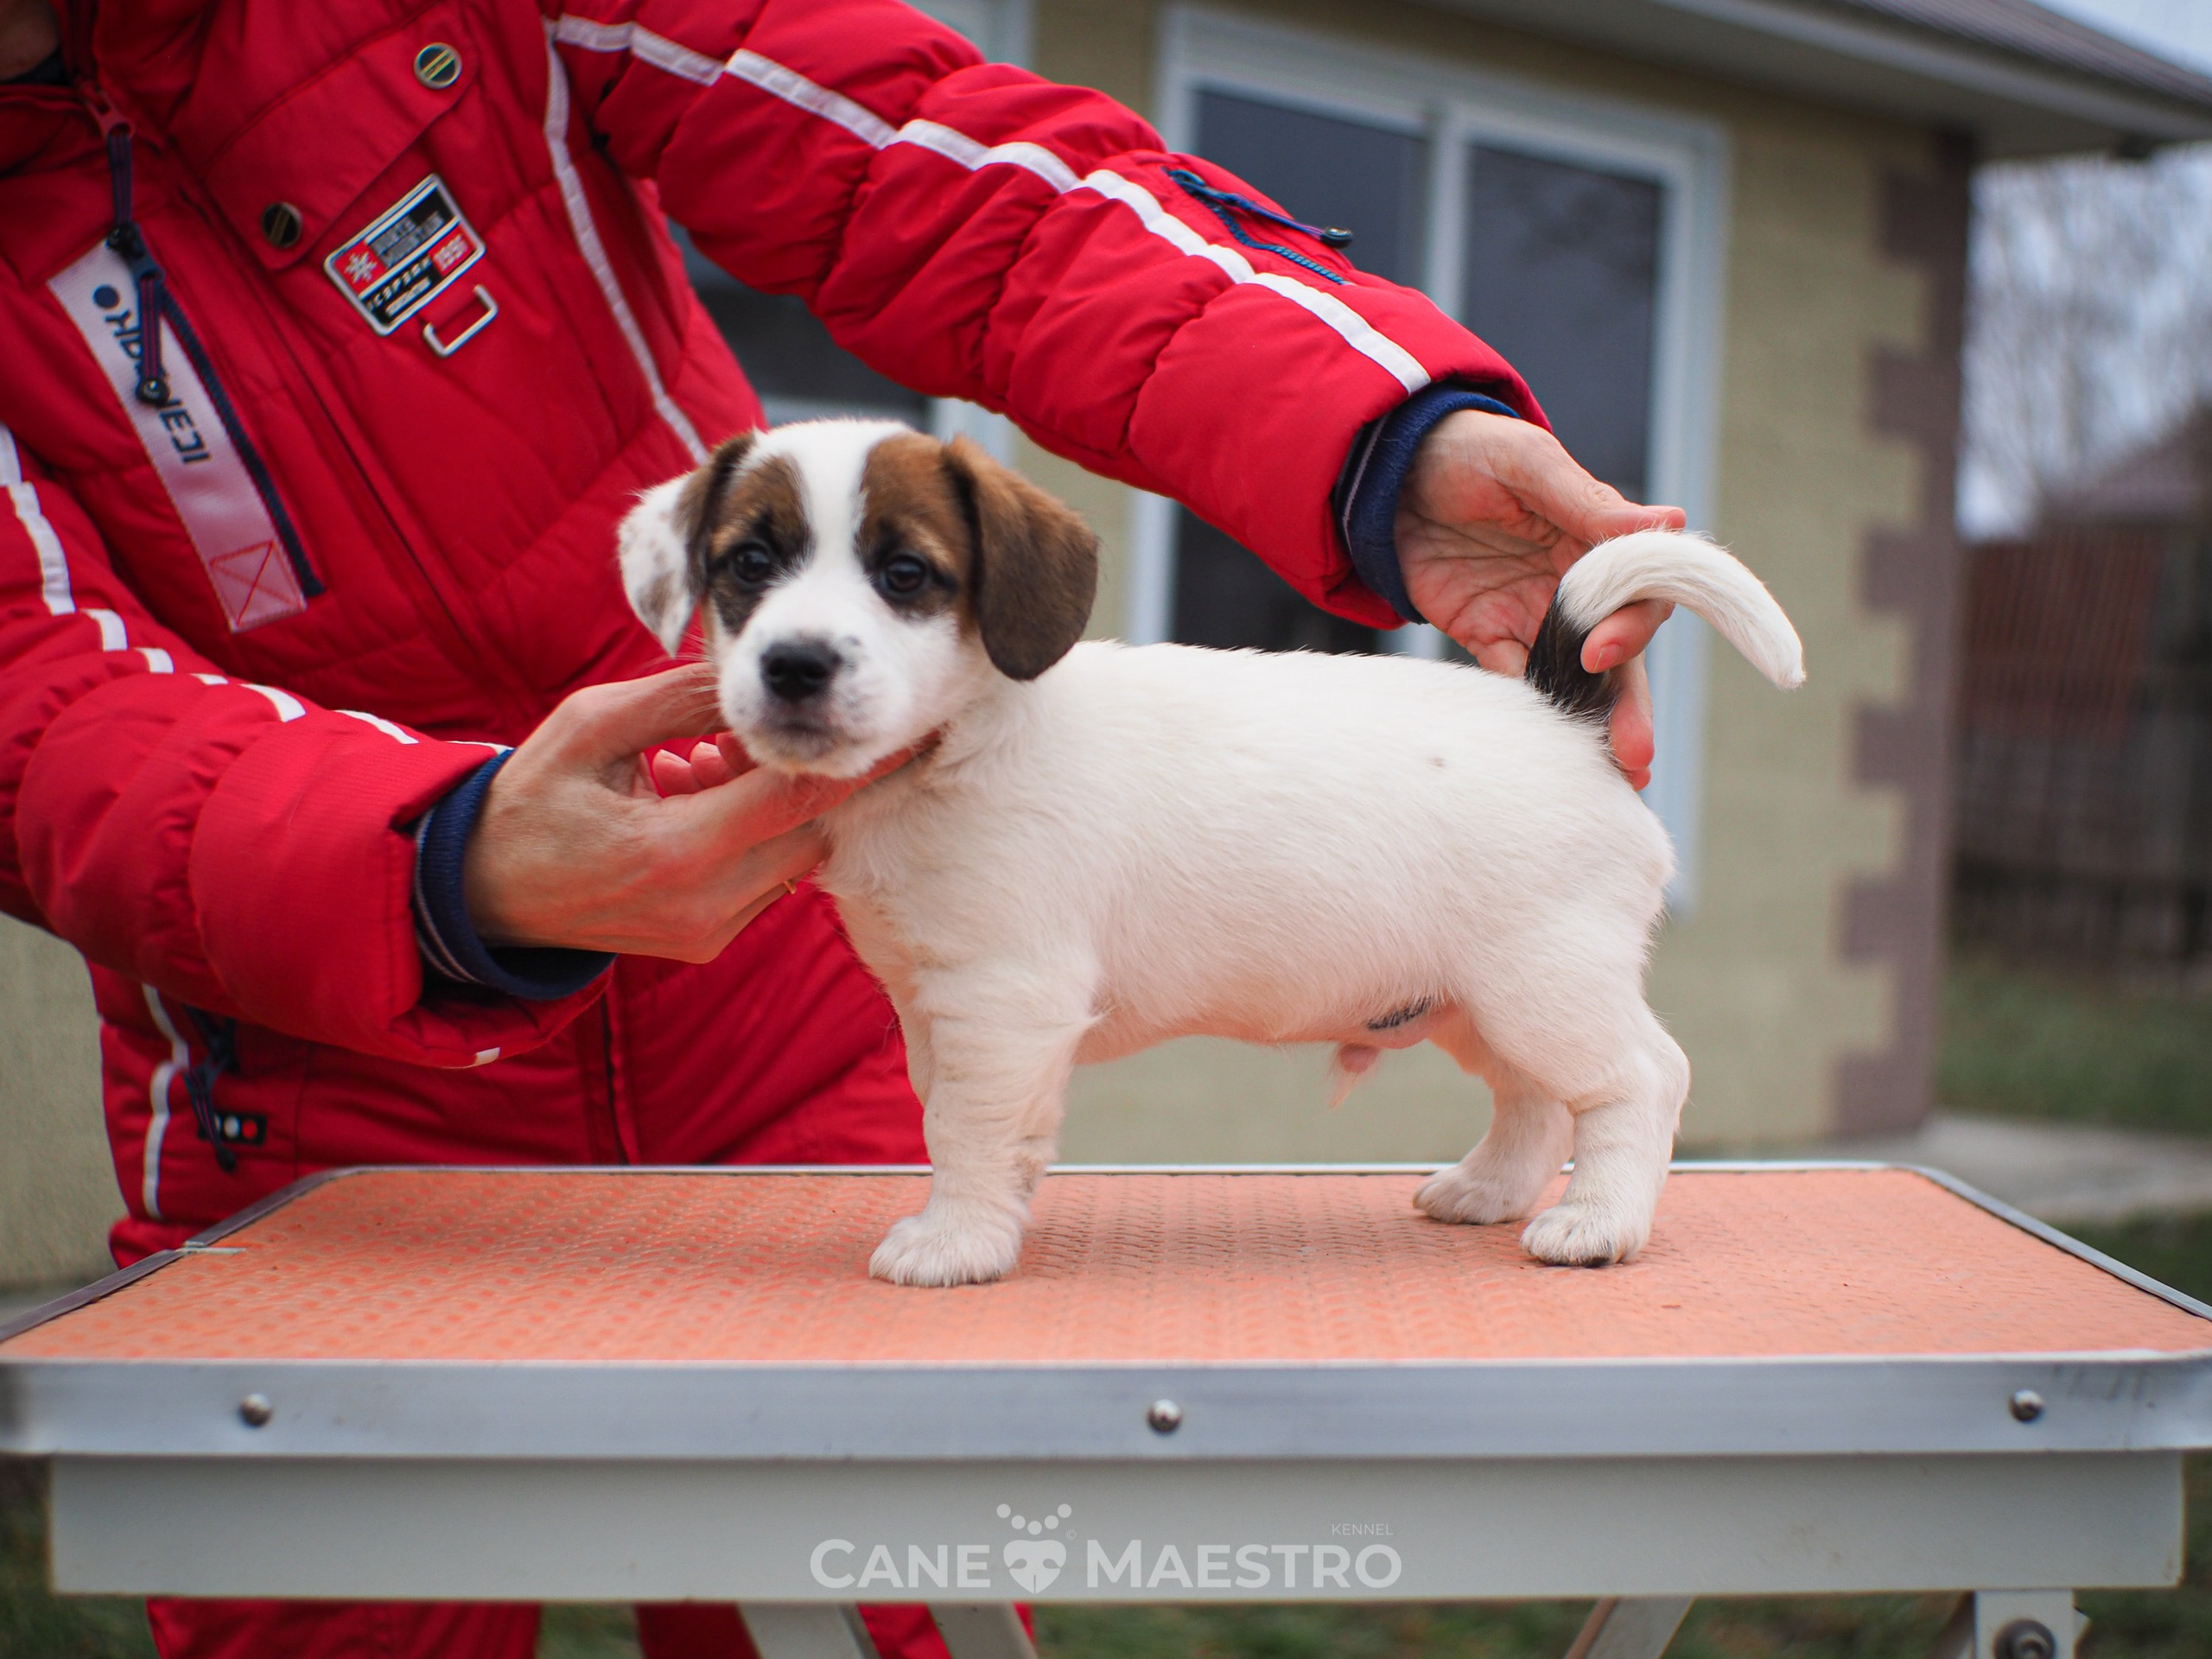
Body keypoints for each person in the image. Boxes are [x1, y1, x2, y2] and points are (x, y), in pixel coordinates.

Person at [0, 0, 1681, 1654]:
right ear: (699, 570)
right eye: (758, 572)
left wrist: (1373, 424)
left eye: (893, 579)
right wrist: (434, 874)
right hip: (324, 1067)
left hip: (788, 1009)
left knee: (884, 1600)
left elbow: (952, 176)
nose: (817, 621)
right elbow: (31, 696)